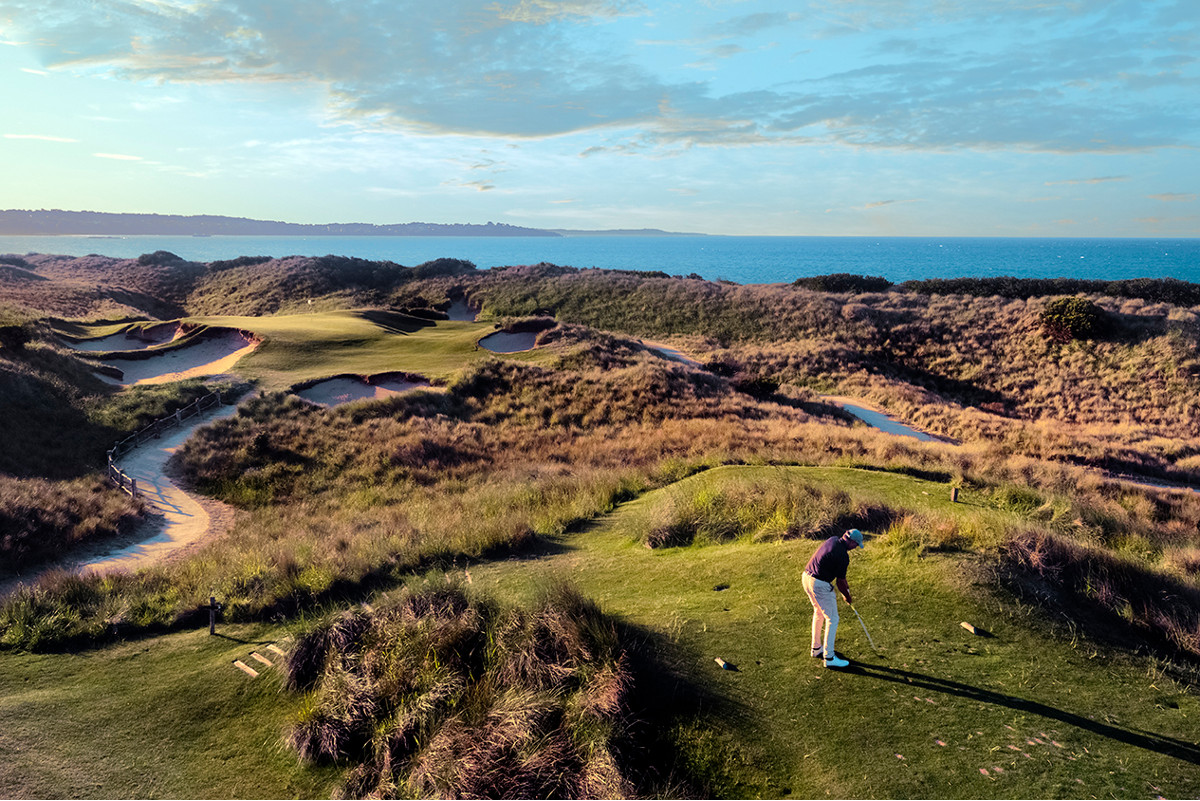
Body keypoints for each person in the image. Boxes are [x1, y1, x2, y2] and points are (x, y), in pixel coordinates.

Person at [802, 528, 864, 669]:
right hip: (819, 584)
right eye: (856, 545)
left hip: (806, 578)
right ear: (851, 541)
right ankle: (829, 658)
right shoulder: (843, 556)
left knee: (818, 612)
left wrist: (846, 589)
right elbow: (840, 582)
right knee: (833, 619)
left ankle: (816, 648)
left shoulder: (833, 540)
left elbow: (842, 578)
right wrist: (847, 596)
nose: (855, 548)